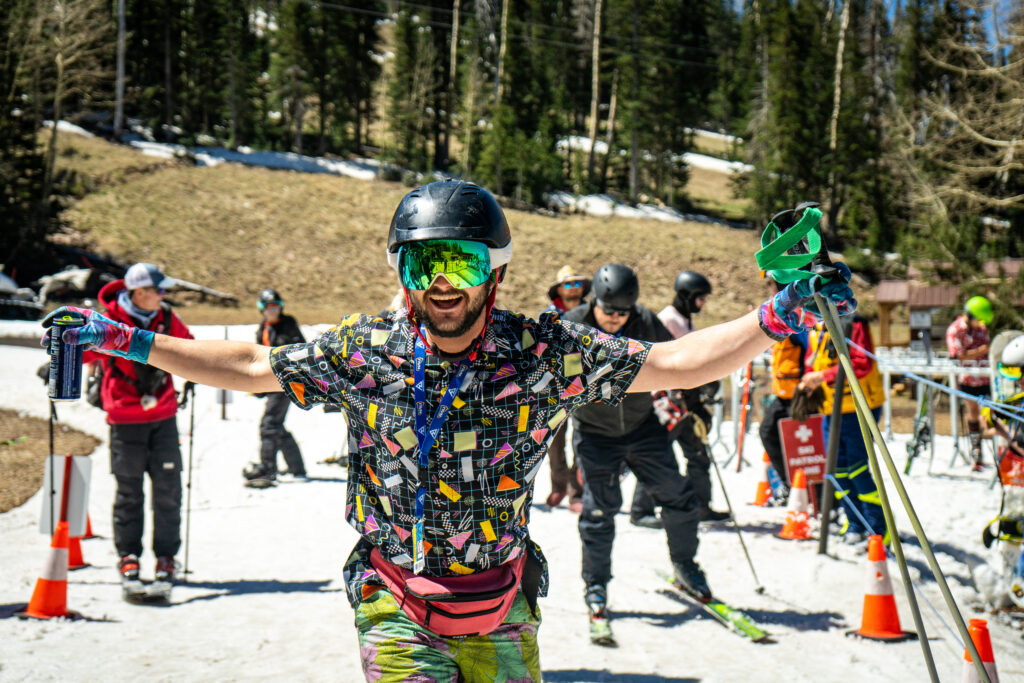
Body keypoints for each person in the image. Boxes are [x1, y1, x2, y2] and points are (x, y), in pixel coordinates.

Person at [44, 180, 855, 681]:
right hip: (396, 602)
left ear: (493, 272)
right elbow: (253, 366)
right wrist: (126, 336)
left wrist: (777, 316)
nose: (441, 285)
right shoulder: (369, 352)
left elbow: (675, 363)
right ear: (402, 271)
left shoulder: (540, 352)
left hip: (501, 609)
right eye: (422, 265)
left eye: (460, 263)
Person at [563, 263, 714, 635]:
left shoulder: (645, 321)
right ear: (594, 301)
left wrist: (695, 405)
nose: (615, 319)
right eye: (608, 311)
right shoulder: (571, 325)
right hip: (595, 432)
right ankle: (596, 587)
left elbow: (679, 359)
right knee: (599, 513)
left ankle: (686, 565)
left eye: (622, 313)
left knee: (679, 496)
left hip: (643, 427)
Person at [82, 262, 194, 586]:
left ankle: (166, 556)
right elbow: (86, 354)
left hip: (163, 416)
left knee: (169, 490)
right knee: (129, 491)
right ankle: (128, 555)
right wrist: (68, 344)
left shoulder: (167, 318)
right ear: (139, 292)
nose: (163, 295)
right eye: (158, 290)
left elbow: (189, 348)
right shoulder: (110, 319)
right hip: (125, 418)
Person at [630, 270, 729, 525]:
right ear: (688, 295)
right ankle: (641, 511)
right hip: (669, 402)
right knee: (657, 455)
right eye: (701, 298)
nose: (703, 303)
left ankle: (702, 506)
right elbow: (666, 362)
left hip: (689, 402)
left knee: (698, 454)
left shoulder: (684, 320)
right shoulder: (666, 320)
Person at [801, 314, 887, 545]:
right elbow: (813, 358)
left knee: (856, 468)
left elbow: (862, 363)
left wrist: (823, 376)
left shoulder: (854, 322)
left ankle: (878, 528)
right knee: (837, 467)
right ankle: (854, 522)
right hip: (831, 405)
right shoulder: (816, 324)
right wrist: (808, 380)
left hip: (857, 405)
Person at [243, 288, 307, 486]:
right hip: (270, 382)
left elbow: (300, 351)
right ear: (261, 309)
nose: (272, 311)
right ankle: (297, 468)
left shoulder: (288, 325)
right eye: (268, 307)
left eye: (275, 307)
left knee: (269, 424)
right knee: (275, 425)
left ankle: (267, 469)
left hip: (286, 382)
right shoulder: (263, 327)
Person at [541, 265, 591, 511]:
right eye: (568, 284)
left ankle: (577, 490)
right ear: (559, 288)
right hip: (555, 383)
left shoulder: (594, 313)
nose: (573, 289)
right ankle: (558, 486)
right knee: (555, 440)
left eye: (576, 283)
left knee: (583, 438)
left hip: (586, 383)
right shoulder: (548, 315)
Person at [758, 275, 810, 503]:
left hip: (799, 394)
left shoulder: (798, 317)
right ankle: (790, 484)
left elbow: (808, 351)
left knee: (804, 445)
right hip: (782, 393)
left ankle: (812, 493)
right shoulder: (778, 314)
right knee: (768, 432)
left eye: (770, 283)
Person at [946, 295, 994, 470]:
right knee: (973, 413)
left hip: (987, 377)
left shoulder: (982, 329)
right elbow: (957, 356)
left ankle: (998, 450)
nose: (981, 324)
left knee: (989, 415)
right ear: (970, 315)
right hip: (968, 380)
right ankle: (976, 452)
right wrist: (980, 351)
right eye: (979, 319)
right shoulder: (955, 330)